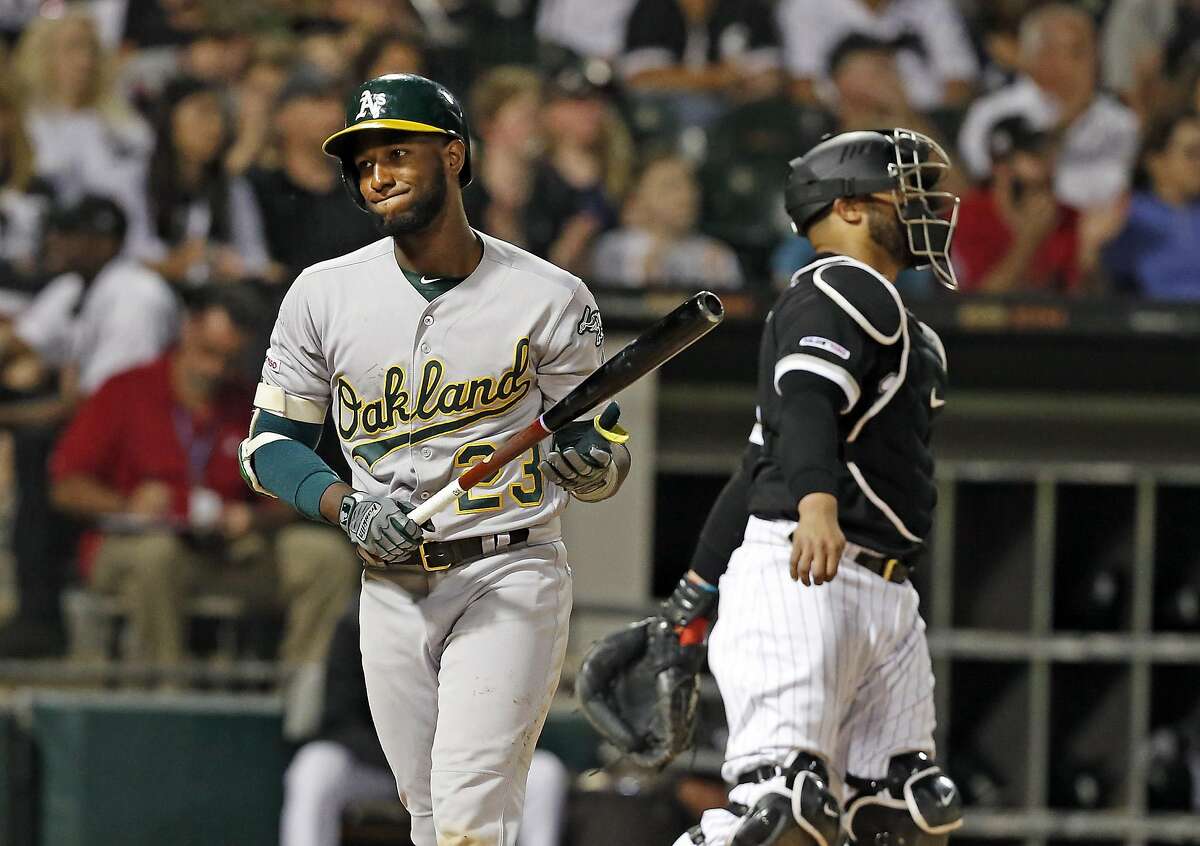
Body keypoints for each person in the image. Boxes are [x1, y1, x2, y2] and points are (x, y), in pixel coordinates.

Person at [237, 73, 633, 845]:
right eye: (362, 162)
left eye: (397, 153)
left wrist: (593, 464)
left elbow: (596, 442)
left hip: (507, 567)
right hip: (390, 579)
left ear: (454, 155)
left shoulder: (549, 294)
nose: (377, 173)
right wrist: (345, 503)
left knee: (469, 812)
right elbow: (268, 446)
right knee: (428, 818)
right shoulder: (322, 294)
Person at [589, 128, 965, 846]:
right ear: (850, 207)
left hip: (880, 586)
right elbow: (806, 405)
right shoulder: (835, 284)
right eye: (906, 190)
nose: (927, 208)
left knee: (905, 816)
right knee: (784, 811)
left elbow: (762, 460)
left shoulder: (898, 319)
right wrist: (817, 504)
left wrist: (692, 594)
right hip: (809, 569)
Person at [48, 287, 358, 669]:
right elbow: (66, 486)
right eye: (209, 353)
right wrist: (127, 505)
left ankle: (300, 706)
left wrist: (254, 518)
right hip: (134, 543)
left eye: (230, 359)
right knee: (156, 557)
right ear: (187, 330)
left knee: (324, 557)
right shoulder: (126, 390)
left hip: (222, 550)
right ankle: (166, 698)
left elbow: (289, 491)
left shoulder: (246, 401)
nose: (216, 370)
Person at [280, 597, 572, 846]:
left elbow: (513, 719)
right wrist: (413, 764)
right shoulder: (358, 619)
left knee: (544, 774)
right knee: (314, 768)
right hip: (382, 767)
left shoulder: (486, 619)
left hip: (467, 767)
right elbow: (341, 722)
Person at [958, 3, 1139, 210]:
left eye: (1093, 50)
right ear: (1042, 56)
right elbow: (991, 188)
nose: (1095, 61)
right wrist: (1068, 121)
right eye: (1078, 52)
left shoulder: (1119, 119)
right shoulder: (992, 112)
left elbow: (1113, 190)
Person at [12, 10, 157, 258]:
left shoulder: (129, 128)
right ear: (42, 55)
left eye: (91, 50)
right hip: (47, 255)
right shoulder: (24, 125)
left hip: (131, 252)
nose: (85, 62)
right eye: (72, 49)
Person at [247, 71, 379, 283]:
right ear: (283, 115)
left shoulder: (360, 183)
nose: (335, 113)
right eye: (319, 102)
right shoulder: (258, 187)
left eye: (337, 103)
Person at [144, 78, 274, 287]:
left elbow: (258, 259)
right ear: (169, 119)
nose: (215, 127)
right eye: (203, 114)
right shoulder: (135, 179)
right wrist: (177, 261)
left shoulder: (233, 188)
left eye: (219, 116)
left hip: (215, 292)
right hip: (152, 288)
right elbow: (130, 253)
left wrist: (230, 262)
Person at [526, 59, 634, 274]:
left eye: (599, 101)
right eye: (578, 101)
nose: (593, 110)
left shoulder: (626, 171)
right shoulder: (530, 173)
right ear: (548, 110)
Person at [953, 115, 1082, 294]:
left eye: (1048, 155)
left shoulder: (1067, 215)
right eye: (1035, 156)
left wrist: (1091, 254)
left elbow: (1084, 302)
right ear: (1001, 166)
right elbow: (979, 303)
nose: (1048, 166)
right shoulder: (968, 215)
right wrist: (1030, 240)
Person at [776, 0, 978, 109]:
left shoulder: (933, 4)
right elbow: (803, 88)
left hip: (923, 122)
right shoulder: (805, 5)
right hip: (846, 125)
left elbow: (960, 84)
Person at [590, 153, 742, 289]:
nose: (686, 196)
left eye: (690, 184)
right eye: (669, 186)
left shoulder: (719, 256)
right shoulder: (613, 249)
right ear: (638, 197)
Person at [1101, 111, 1200, 300]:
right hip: (1151, 321)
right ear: (1156, 161)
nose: (1199, 163)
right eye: (1191, 153)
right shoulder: (1129, 214)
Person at [619, 0, 784, 108]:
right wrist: (716, 78)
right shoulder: (652, 9)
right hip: (667, 114)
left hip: (736, 113)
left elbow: (771, 78)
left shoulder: (748, 8)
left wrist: (678, 79)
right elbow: (640, 78)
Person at [462, 66, 544, 248]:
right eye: (525, 117)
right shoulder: (462, 197)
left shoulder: (553, 194)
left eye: (538, 116)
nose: (536, 127)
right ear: (488, 125)